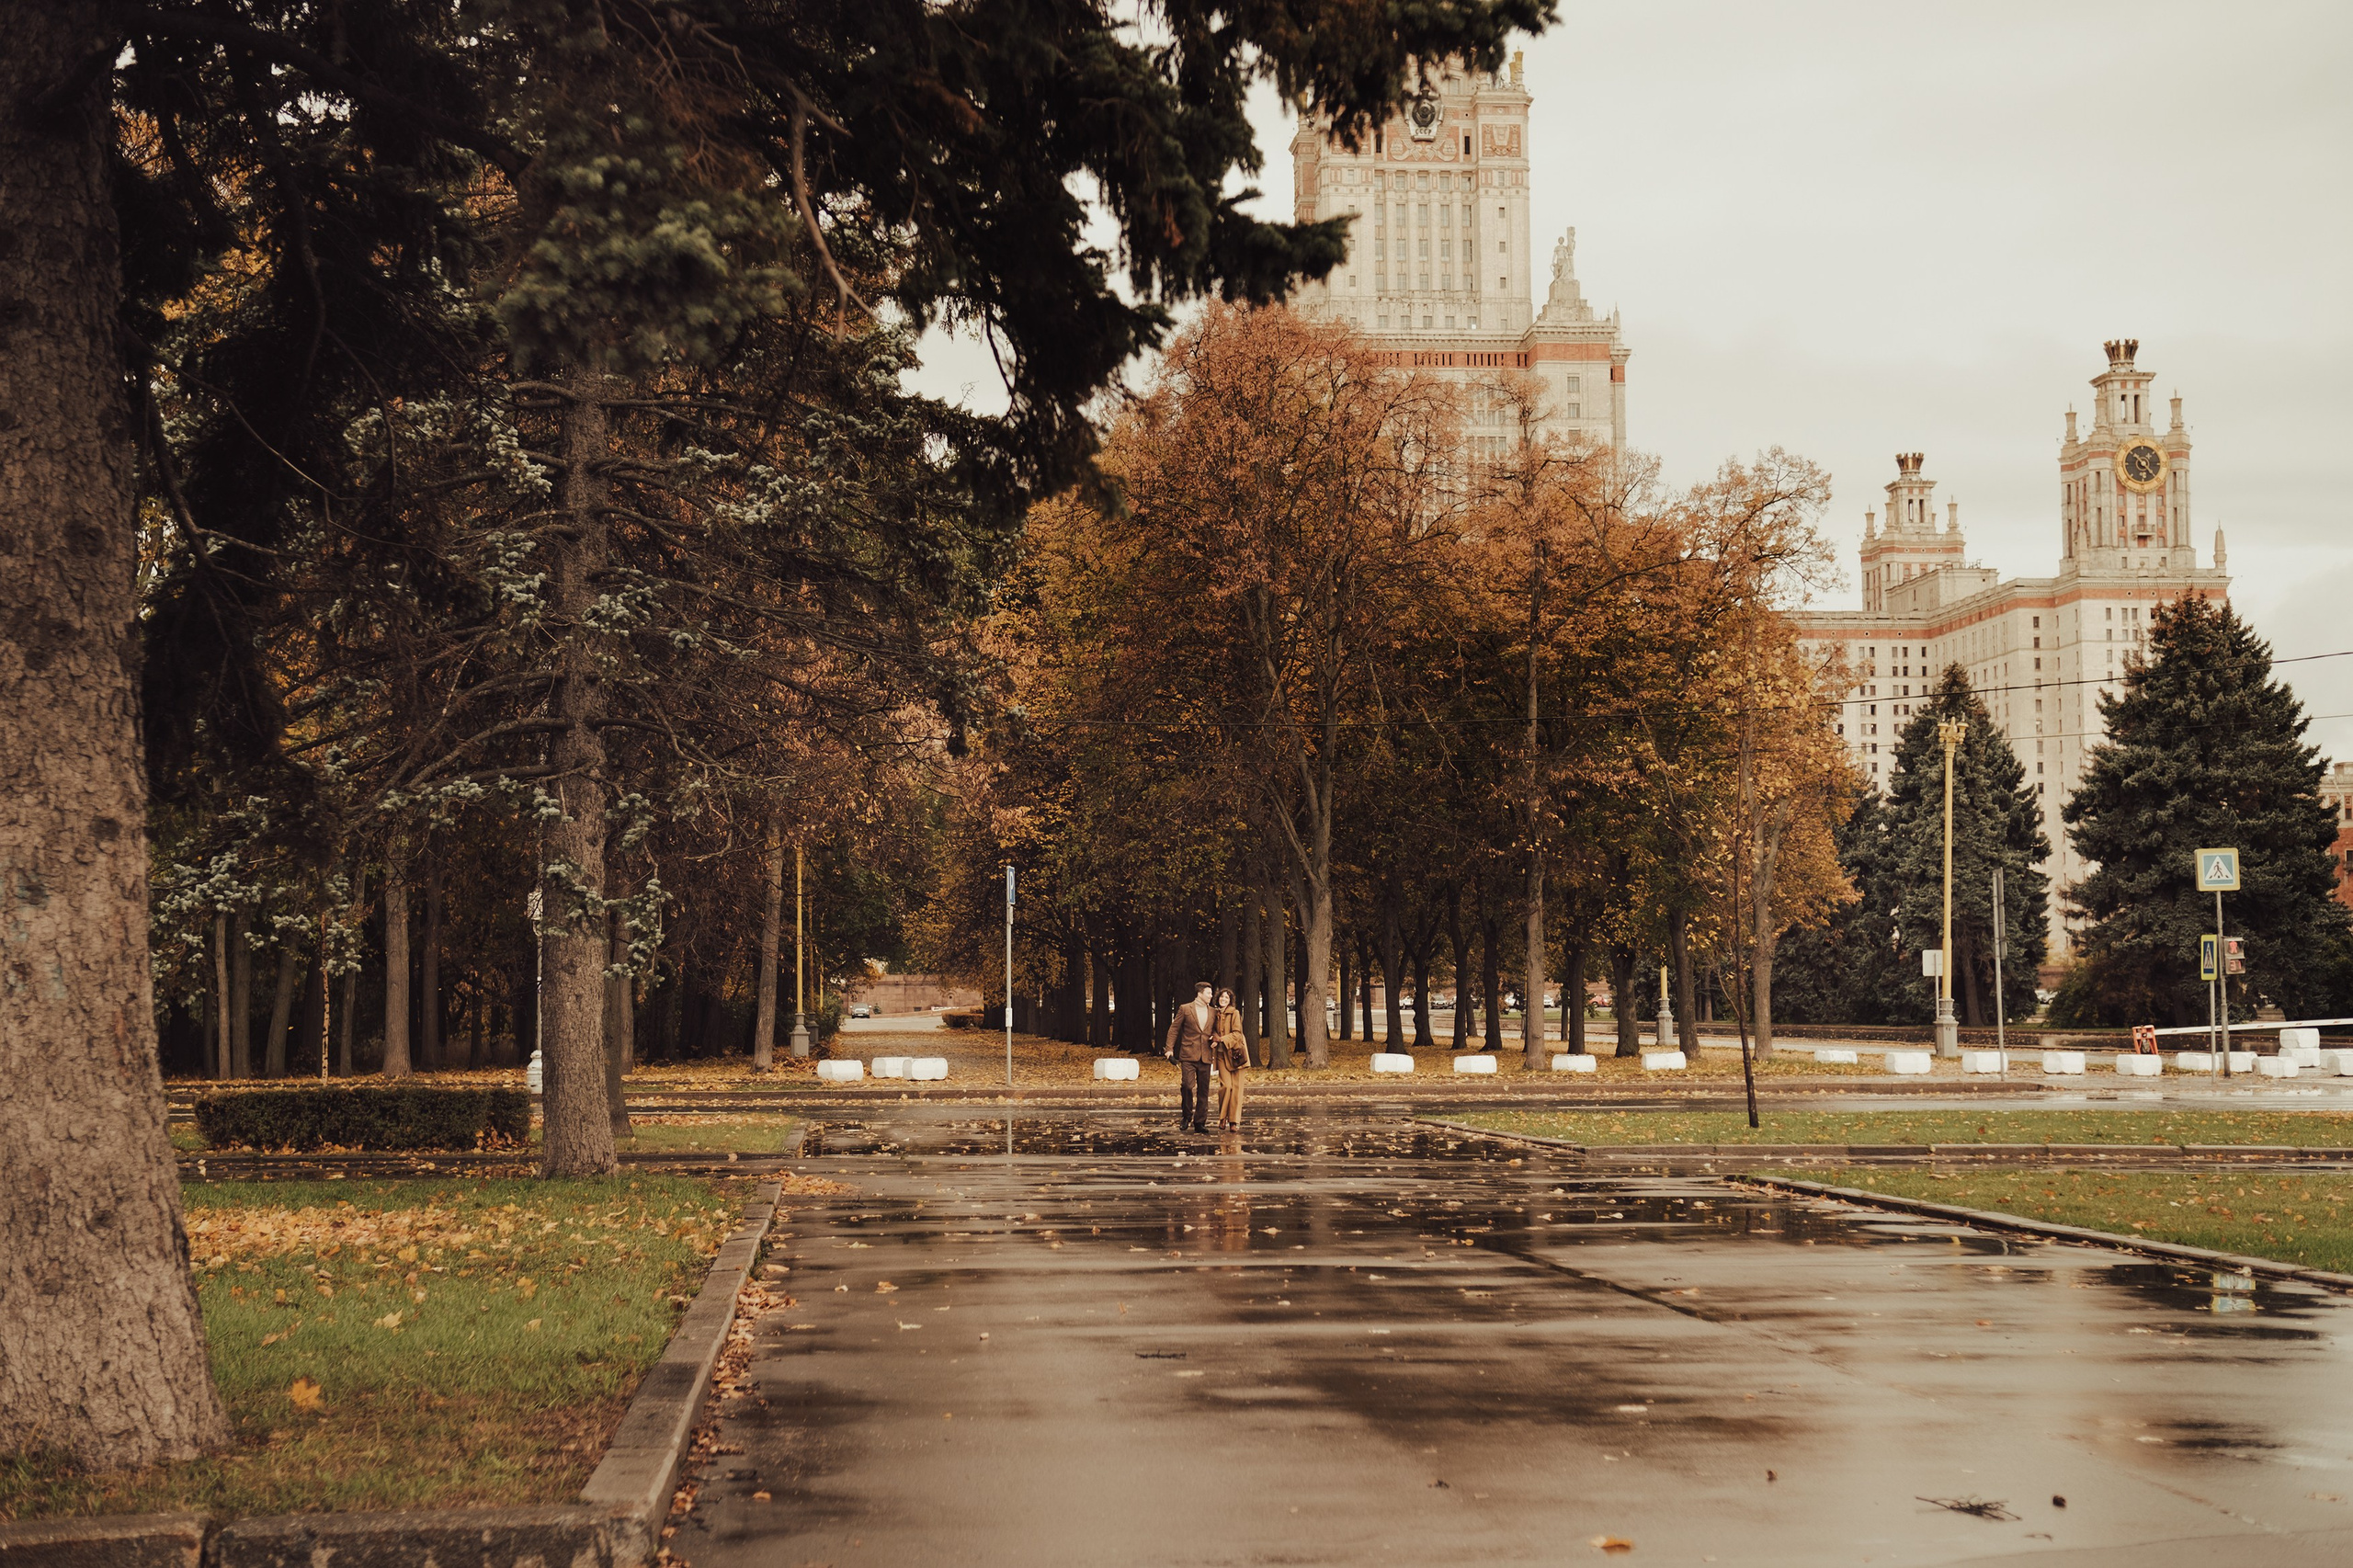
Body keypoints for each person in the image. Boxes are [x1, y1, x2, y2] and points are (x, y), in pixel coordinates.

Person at [1163, 981, 1219, 1133]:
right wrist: (1169, 1049)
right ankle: (1186, 1115)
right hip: (1188, 1055)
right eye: (1209, 993)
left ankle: (1200, 1122)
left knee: (1204, 1091)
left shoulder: (1213, 1011)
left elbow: (1215, 1031)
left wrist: (1215, 1038)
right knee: (1187, 1085)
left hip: (1206, 1055)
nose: (1211, 996)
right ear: (1200, 993)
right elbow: (1174, 1029)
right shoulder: (1185, 1009)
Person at [1212, 986, 1247, 1130]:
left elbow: (1237, 1034)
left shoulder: (1235, 1013)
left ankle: (1234, 1122)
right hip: (1221, 1055)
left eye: (1226, 998)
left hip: (1236, 1054)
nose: (1223, 999)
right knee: (1226, 1086)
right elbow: (1212, 1030)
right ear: (1218, 998)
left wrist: (1221, 1039)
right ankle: (1222, 1117)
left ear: (1230, 1000)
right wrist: (1214, 1037)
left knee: (1237, 1088)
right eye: (1222, 997)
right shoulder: (1214, 1013)